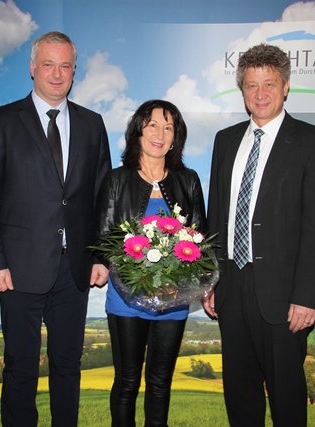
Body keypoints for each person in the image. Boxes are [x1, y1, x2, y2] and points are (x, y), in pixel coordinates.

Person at [0, 31, 111, 426]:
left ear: (74, 72)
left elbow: (103, 197)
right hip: (16, 269)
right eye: (48, 64)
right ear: (32, 68)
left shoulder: (92, 123)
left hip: (75, 269)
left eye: (65, 66)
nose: (56, 73)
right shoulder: (1, 121)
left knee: (68, 366)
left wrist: (101, 256)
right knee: (20, 367)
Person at [203, 43, 315, 426]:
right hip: (231, 289)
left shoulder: (314, 141)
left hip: (284, 297)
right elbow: (217, 218)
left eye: (269, 84)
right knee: (240, 394)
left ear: (286, 86)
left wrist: (307, 296)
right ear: (242, 90)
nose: (260, 94)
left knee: (286, 396)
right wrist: (211, 280)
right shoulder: (225, 141)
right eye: (251, 85)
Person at [95, 100, 206, 427]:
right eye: (153, 125)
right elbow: (103, 237)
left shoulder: (188, 180)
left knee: (160, 382)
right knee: (127, 381)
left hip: (174, 299)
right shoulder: (117, 179)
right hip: (127, 298)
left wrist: (179, 276)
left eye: (168, 127)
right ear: (138, 131)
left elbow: (199, 236)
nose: (160, 133)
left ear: (176, 137)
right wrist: (135, 272)